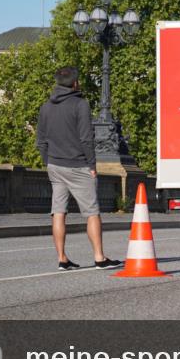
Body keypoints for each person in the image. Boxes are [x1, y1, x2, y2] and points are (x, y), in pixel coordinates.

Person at [36, 66, 121, 271]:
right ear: (75, 83)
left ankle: (62, 258)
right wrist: (92, 165)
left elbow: (41, 140)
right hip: (78, 165)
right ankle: (99, 257)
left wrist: (49, 161)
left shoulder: (46, 107)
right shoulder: (80, 104)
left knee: (58, 212)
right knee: (92, 212)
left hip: (55, 166)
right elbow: (86, 138)